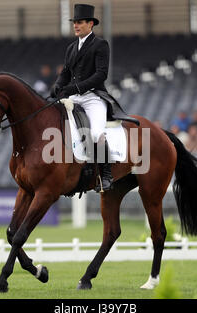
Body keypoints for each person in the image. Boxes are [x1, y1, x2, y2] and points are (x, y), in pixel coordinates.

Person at [50, 4, 137, 192]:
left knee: (96, 134)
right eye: (75, 22)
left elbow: (101, 75)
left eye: (80, 22)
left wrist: (76, 87)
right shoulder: (71, 48)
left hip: (93, 98)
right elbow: (65, 73)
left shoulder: (100, 45)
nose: (76, 25)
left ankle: (105, 175)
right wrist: (57, 85)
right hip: (73, 98)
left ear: (90, 24)